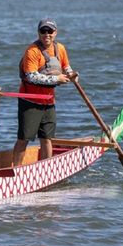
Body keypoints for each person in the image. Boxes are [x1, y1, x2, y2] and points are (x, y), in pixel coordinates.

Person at [12, 18, 76, 166]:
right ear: (38, 33)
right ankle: (15, 170)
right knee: (24, 138)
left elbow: (66, 67)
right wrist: (56, 80)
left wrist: (72, 75)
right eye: (43, 31)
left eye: (50, 31)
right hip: (30, 101)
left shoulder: (60, 48)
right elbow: (31, 76)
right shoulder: (32, 51)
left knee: (47, 138)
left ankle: (46, 168)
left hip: (49, 101)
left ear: (55, 33)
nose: (47, 34)